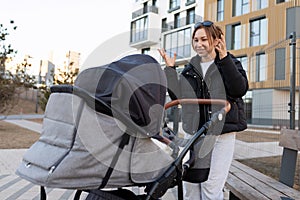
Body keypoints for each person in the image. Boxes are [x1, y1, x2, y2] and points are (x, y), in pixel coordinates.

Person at [158, 20, 248, 200]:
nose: (199, 44)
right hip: (196, 135)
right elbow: (178, 97)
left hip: (222, 133)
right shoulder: (190, 69)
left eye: (204, 39)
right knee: (191, 185)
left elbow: (239, 89)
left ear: (216, 40)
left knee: (211, 186)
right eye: (196, 40)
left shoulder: (230, 62)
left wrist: (224, 58)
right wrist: (169, 69)